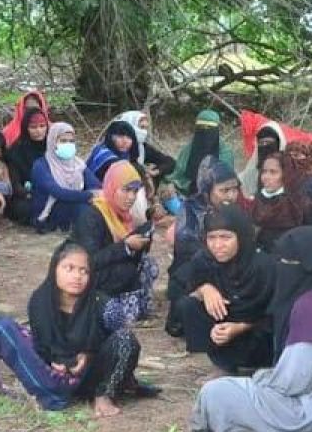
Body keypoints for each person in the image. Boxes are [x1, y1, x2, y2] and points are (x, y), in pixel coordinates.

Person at [191, 226, 312, 432]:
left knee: (215, 392)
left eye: (289, 263)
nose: (283, 268)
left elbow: (293, 381)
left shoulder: (311, 306)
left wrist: (261, 380)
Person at [0, 241, 150, 418]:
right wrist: (54, 361)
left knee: (125, 340)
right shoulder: (40, 302)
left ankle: (103, 396)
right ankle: (51, 393)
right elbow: (42, 345)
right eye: (70, 268)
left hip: (90, 376)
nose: (77, 276)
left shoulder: (103, 305)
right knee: (2, 327)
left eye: (84, 271)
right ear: (54, 269)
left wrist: (88, 354)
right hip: (50, 372)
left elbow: (119, 344)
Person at [173, 206, 276, 373]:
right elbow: (187, 285)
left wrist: (240, 327)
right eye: (211, 238)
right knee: (188, 304)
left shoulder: (263, 266)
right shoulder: (204, 260)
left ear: (241, 237)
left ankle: (252, 368)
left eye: (225, 237)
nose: (218, 245)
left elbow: (274, 313)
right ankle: (221, 364)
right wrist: (205, 289)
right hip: (221, 329)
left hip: (257, 336)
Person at [72, 161, 159, 326]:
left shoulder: (123, 215)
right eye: (126, 190)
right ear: (112, 187)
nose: (131, 197)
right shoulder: (92, 216)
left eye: (135, 191)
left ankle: (128, 305)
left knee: (147, 264)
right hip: (88, 276)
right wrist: (126, 247)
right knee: (126, 271)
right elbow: (90, 261)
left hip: (111, 270)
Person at [168, 156, 241, 276]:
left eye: (235, 189)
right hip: (193, 272)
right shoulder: (190, 209)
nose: (231, 196)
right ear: (207, 190)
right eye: (225, 190)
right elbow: (187, 248)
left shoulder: (234, 209)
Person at [30, 122, 100, 233]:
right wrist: (88, 195)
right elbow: (57, 192)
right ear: (53, 142)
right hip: (50, 211)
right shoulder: (41, 165)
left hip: (75, 201)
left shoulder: (77, 163)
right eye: (63, 141)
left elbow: (95, 184)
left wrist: (97, 195)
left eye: (71, 141)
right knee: (83, 208)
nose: (68, 144)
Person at [169, 110, 235, 196]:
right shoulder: (188, 150)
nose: (205, 133)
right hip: (188, 195)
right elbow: (178, 176)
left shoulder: (225, 152)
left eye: (210, 129)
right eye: (201, 128)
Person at [4, 106, 50, 225]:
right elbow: (16, 185)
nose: (38, 131)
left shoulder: (53, 147)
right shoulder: (16, 151)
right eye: (33, 127)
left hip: (54, 191)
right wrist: (30, 193)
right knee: (24, 209)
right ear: (26, 128)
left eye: (42, 126)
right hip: (28, 195)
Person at [251, 152, 306, 251]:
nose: (266, 177)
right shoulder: (258, 200)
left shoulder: (294, 205)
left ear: (286, 174)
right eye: (264, 171)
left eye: (273, 172)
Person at [113, 110, 176, 182]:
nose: (144, 132)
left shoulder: (141, 148)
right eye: (141, 127)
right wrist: (142, 171)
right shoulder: (112, 150)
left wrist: (156, 172)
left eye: (146, 128)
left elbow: (170, 162)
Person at [238, 121, 286, 198]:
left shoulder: (288, 169)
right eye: (261, 143)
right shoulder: (252, 169)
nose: (264, 146)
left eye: (268, 142)